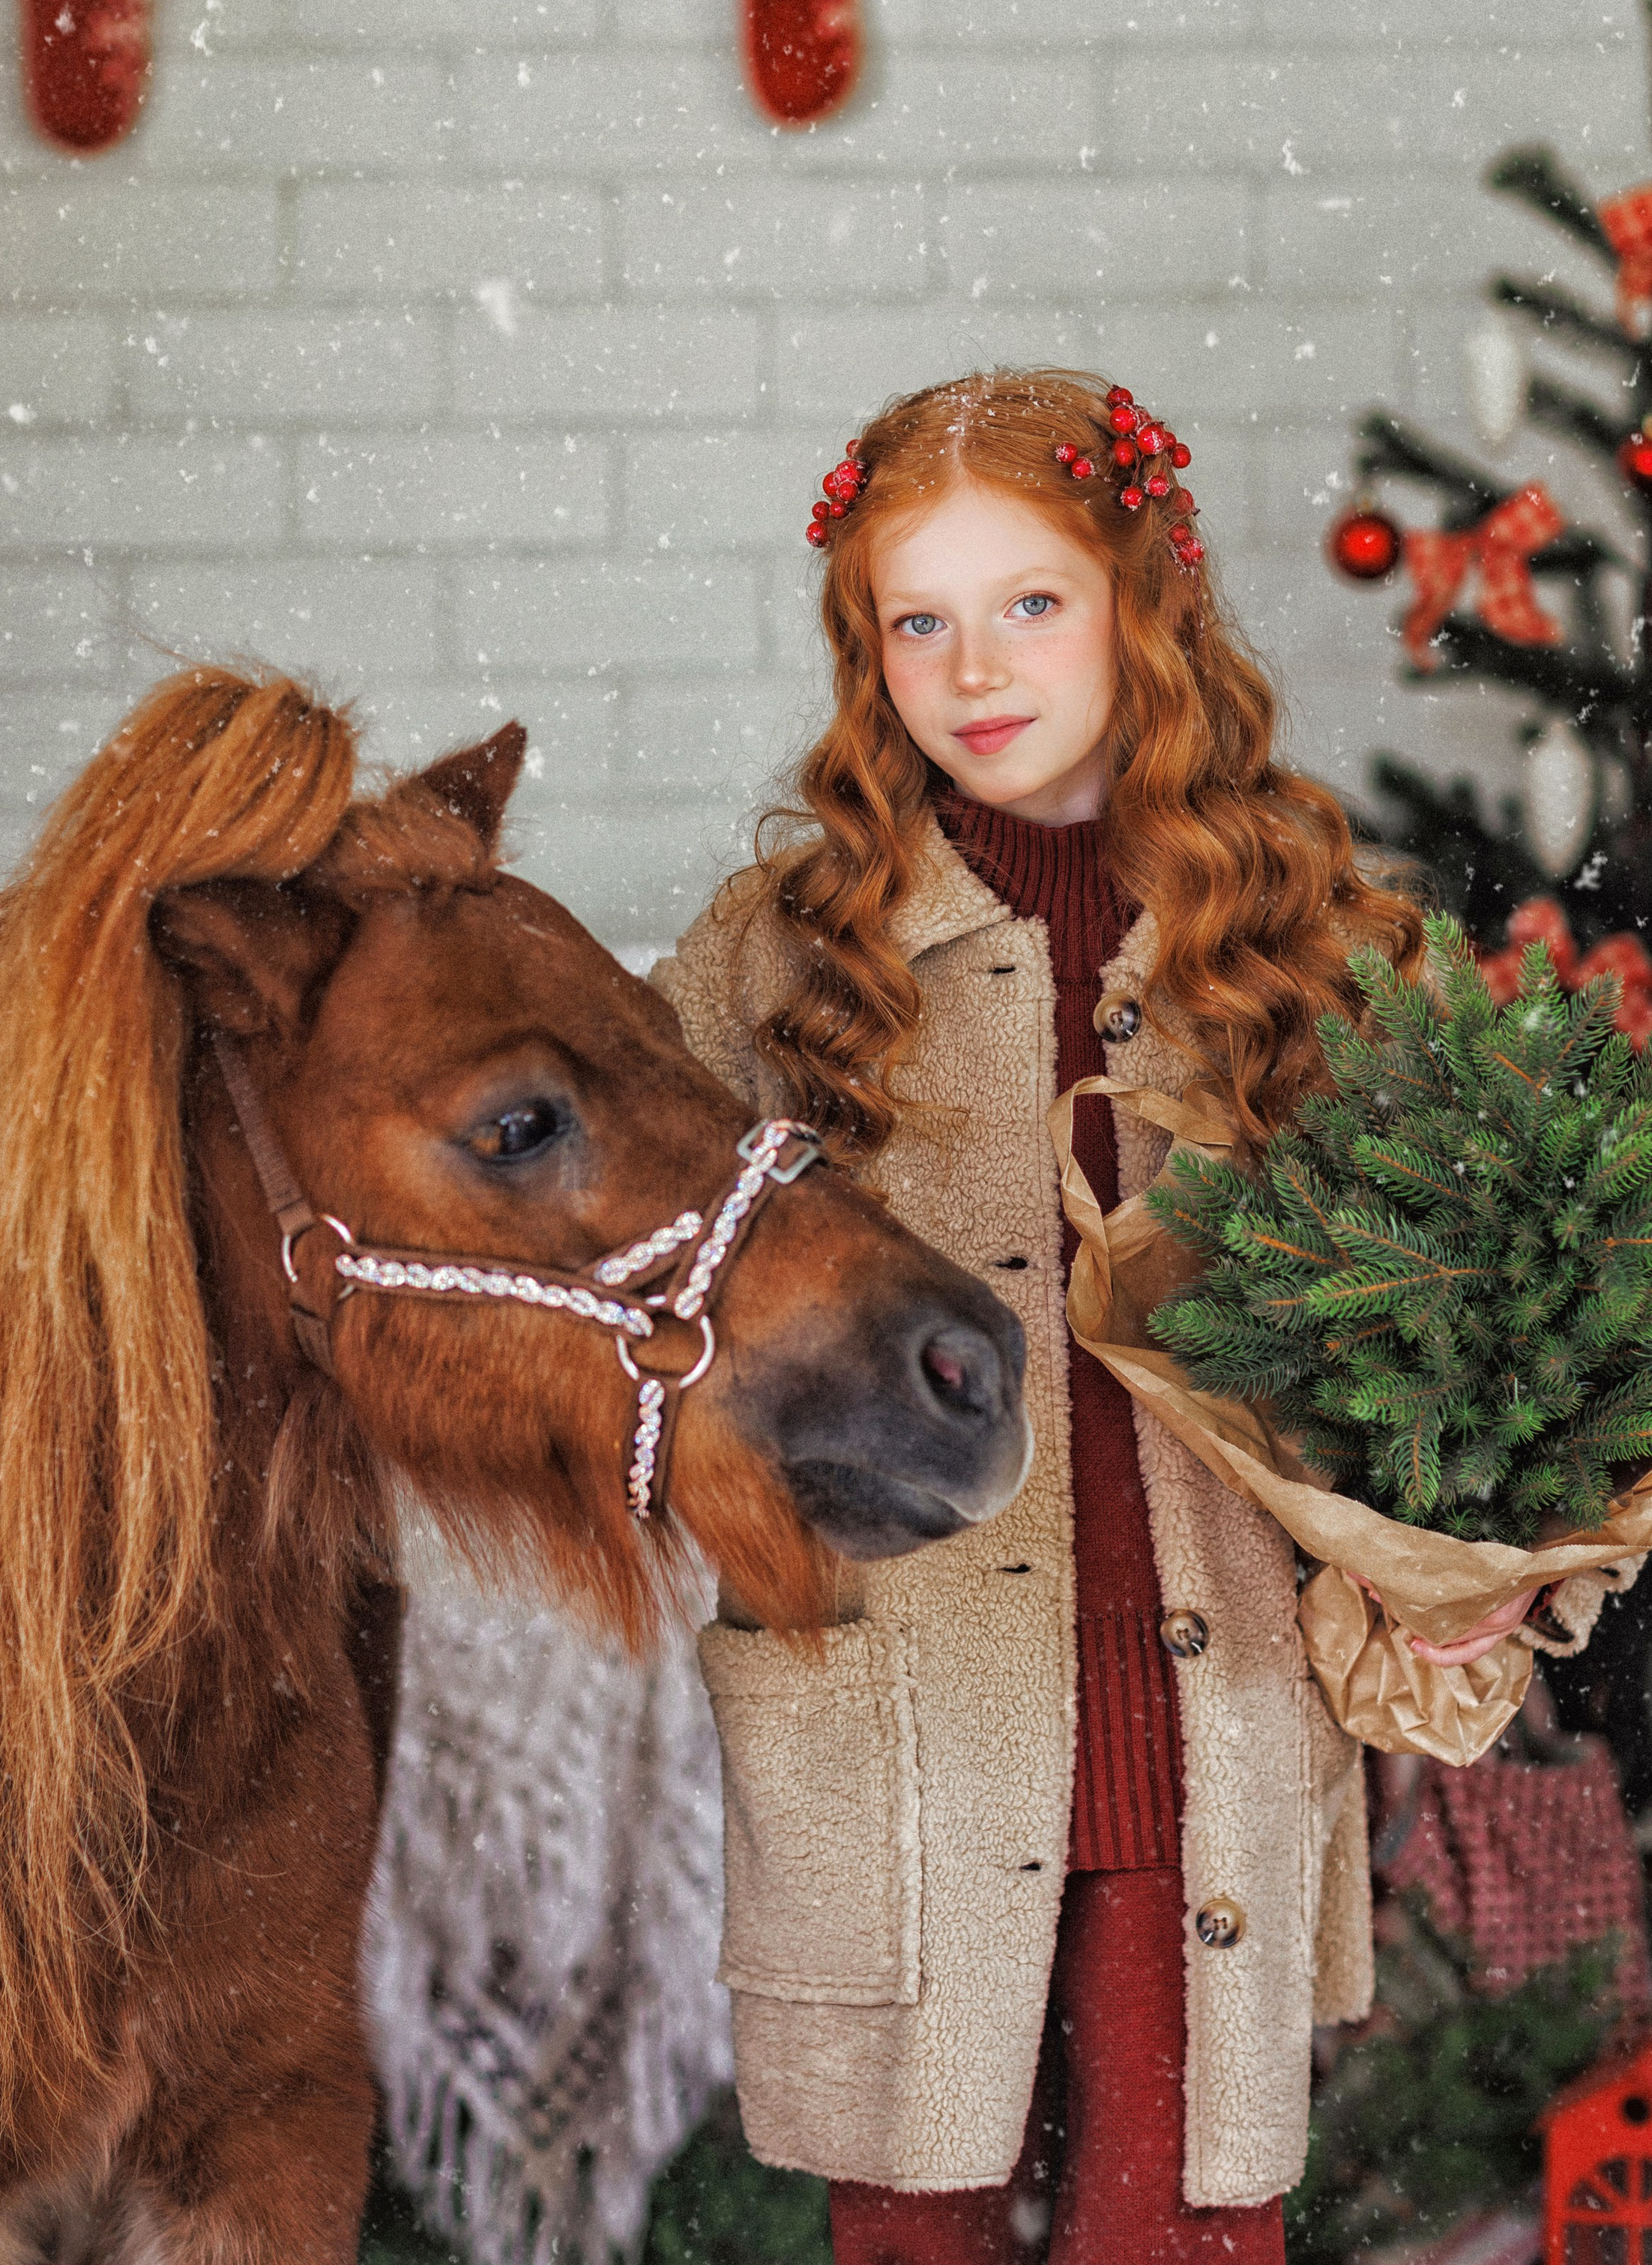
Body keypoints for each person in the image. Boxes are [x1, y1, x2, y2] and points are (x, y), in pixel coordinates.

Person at [649, 370, 1567, 2265]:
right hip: (895, 1729)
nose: (971, 666)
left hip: (1210, 1717)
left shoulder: (1323, 934)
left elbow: (1515, 1329)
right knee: (909, 2228)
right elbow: (616, 1310)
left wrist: (1485, 1556)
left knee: (1181, 2232)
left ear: (1140, 600)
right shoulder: (773, 960)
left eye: (1030, 601)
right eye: (918, 620)